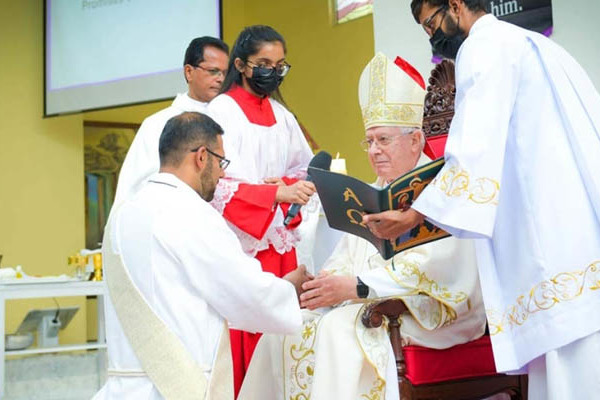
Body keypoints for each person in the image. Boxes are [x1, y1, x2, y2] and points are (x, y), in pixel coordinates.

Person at [363, 1, 600, 398]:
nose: (432, 38)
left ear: (455, 5)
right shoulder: (535, 45)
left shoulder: (482, 47)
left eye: (431, 24)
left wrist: (410, 217)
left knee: (568, 363)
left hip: (543, 231)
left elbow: (472, 151)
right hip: (576, 224)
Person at [237, 53, 486, 400]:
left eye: (383, 140)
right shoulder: (375, 192)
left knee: (340, 330)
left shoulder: (442, 187)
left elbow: (437, 270)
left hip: (429, 312)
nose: (373, 151)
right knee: (284, 331)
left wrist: (357, 287)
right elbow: (346, 258)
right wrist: (325, 284)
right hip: (371, 300)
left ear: (415, 140)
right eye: (368, 142)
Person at [94, 112, 309, 400]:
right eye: (222, 162)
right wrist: (289, 290)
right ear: (201, 157)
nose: (222, 175)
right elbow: (242, 289)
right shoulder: (190, 213)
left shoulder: (121, 215)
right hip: (179, 384)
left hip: (123, 388)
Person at [206, 25, 316, 395]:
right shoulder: (221, 110)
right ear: (240, 64)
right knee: (252, 341)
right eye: (264, 64)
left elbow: (306, 168)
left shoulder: (282, 115)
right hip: (245, 245)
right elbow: (215, 185)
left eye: (281, 65)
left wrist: (289, 191)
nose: (273, 72)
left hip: (282, 241)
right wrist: (275, 193)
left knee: (286, 340)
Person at [114, 36, 229, 205]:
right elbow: (133, 188)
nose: (220, 78)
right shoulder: (157, 124)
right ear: (189, 72)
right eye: (213, 71)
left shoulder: (232, 118)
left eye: (225, 73)